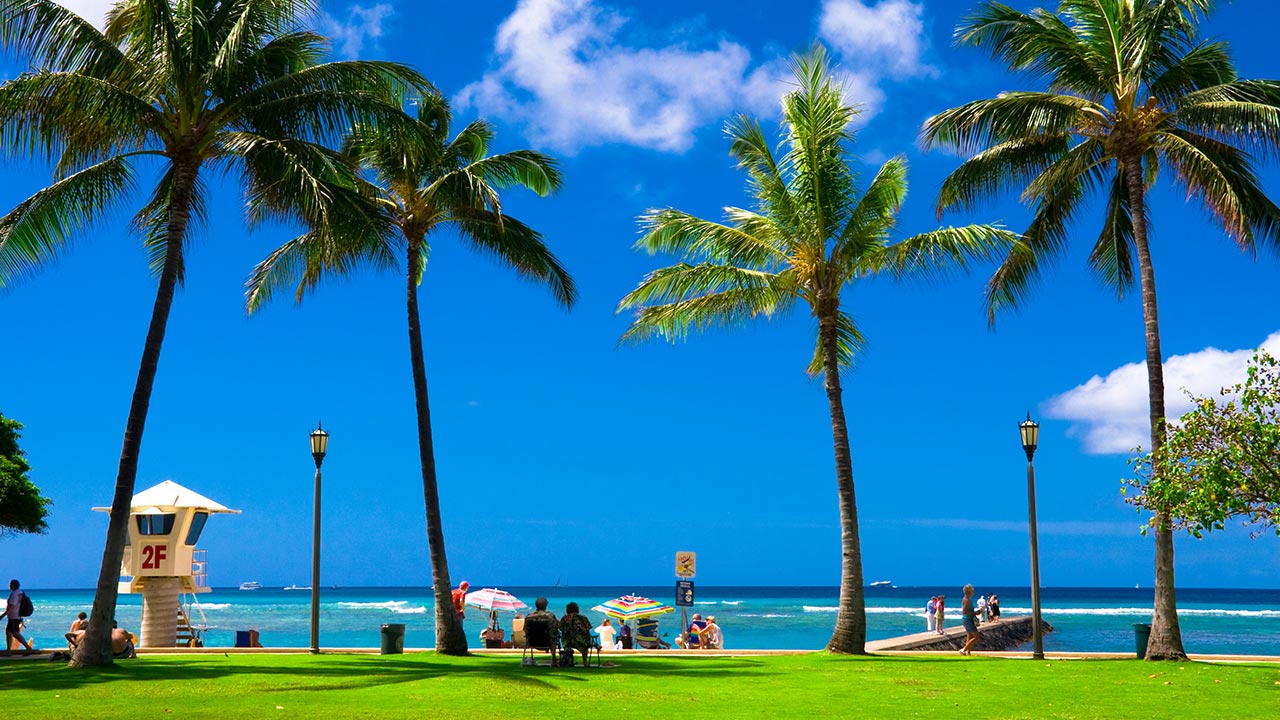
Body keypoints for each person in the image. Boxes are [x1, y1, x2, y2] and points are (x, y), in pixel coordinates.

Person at [2, 579, 34, 655]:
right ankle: (8, 651)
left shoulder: (14, 594)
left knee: (15, 633)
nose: (9, 586)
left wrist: (2, 615)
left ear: (13, 585)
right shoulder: (21, 593)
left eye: (10, 584)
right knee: (8, 633)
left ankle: (28, 648)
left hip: (13, 617)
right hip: (17, 616)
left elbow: (11, 607)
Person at [558, 602, 594, 667]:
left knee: (567, 642)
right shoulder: (582, 618)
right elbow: (588, 628)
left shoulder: (564, 618)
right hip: (580, 641)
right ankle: (585, 662)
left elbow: (560, 628)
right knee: (585, 646)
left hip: (566, 642)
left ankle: (568, 660)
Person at [525, 597, 560, 663]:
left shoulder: (529, 617)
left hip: (532, 642)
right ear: (545, 605)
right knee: (555, 635)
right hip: (548, 642)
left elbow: (525, 630)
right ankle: (554, 659)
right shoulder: (549, 616)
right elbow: (557, 626)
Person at [960, 584, 979, 655]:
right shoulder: (967, 600)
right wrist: (975, 613)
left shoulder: (967, 599)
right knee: (976, 637)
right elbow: (964, 612)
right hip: (968, 619)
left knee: (970, 635)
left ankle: (968, 652)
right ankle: (964, 649)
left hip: (967, 619)